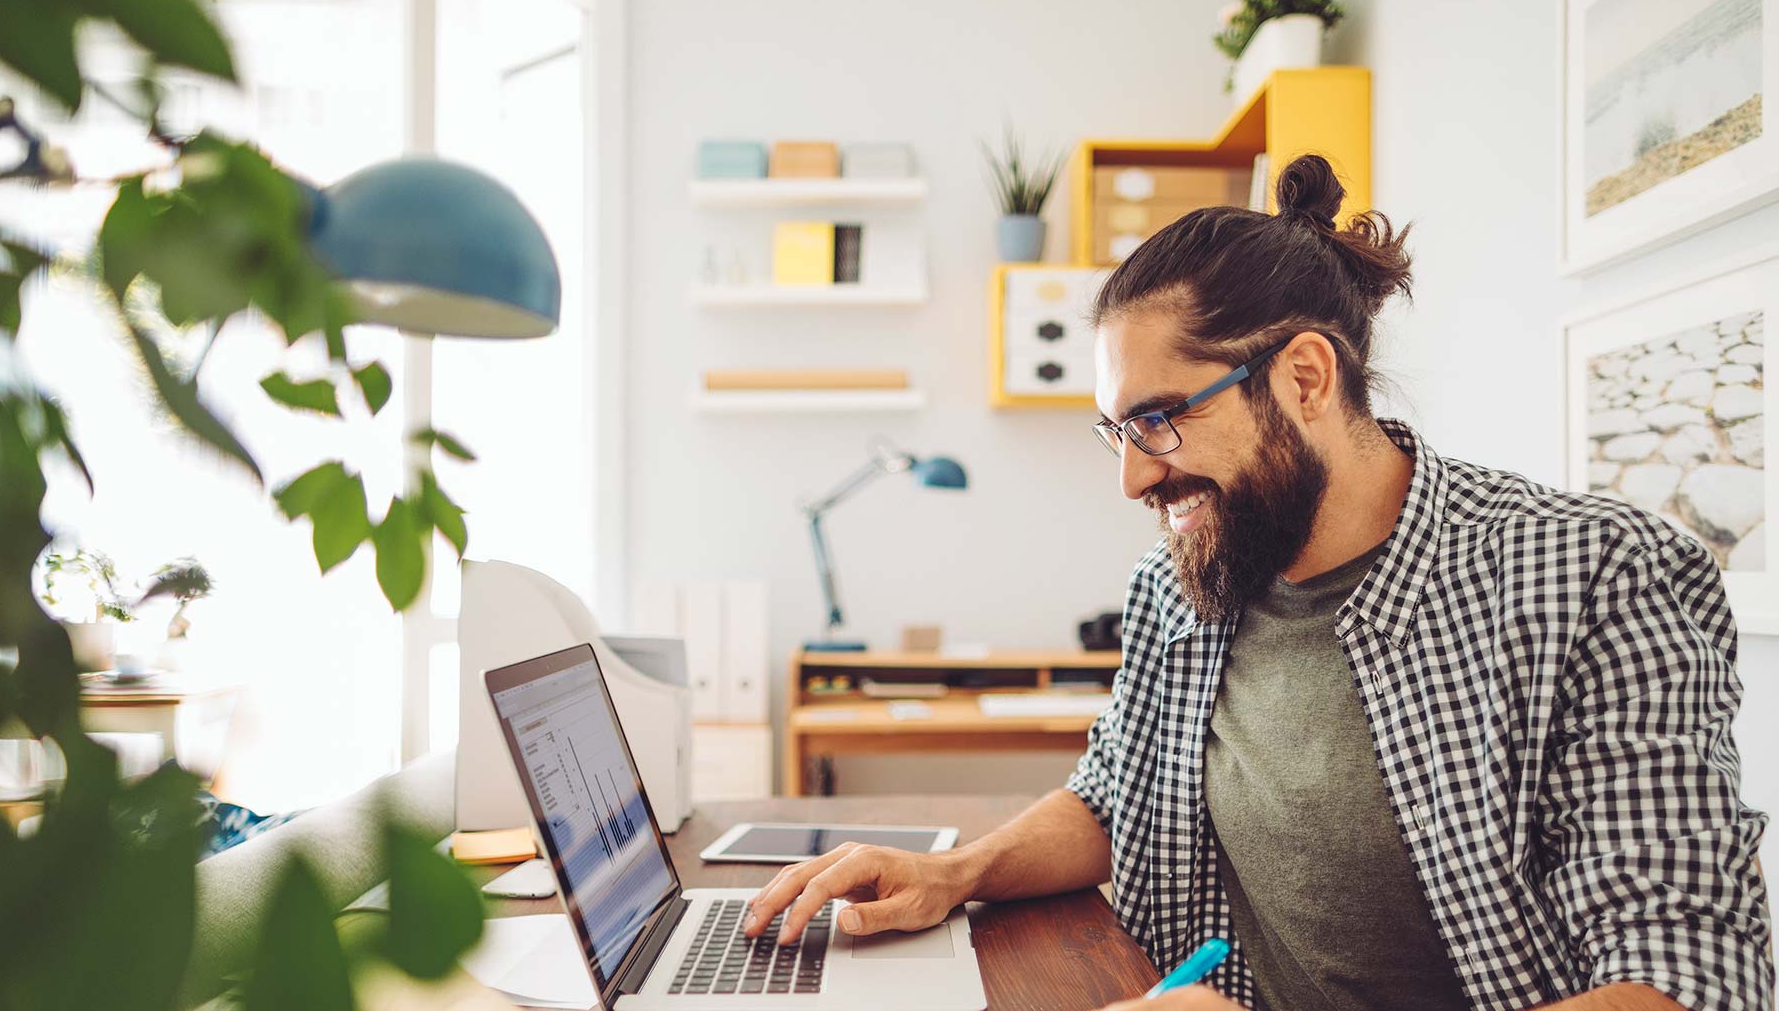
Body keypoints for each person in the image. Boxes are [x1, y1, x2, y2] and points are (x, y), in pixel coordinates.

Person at [742, 156, 1773, 1010]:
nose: (1134, 476)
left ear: (1307, 378)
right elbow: (1115, 798)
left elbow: (1685, 978)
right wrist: (956, 873)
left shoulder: (1598, 576)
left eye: (1157, 420)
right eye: (1116, 429)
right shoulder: (1182, 584)